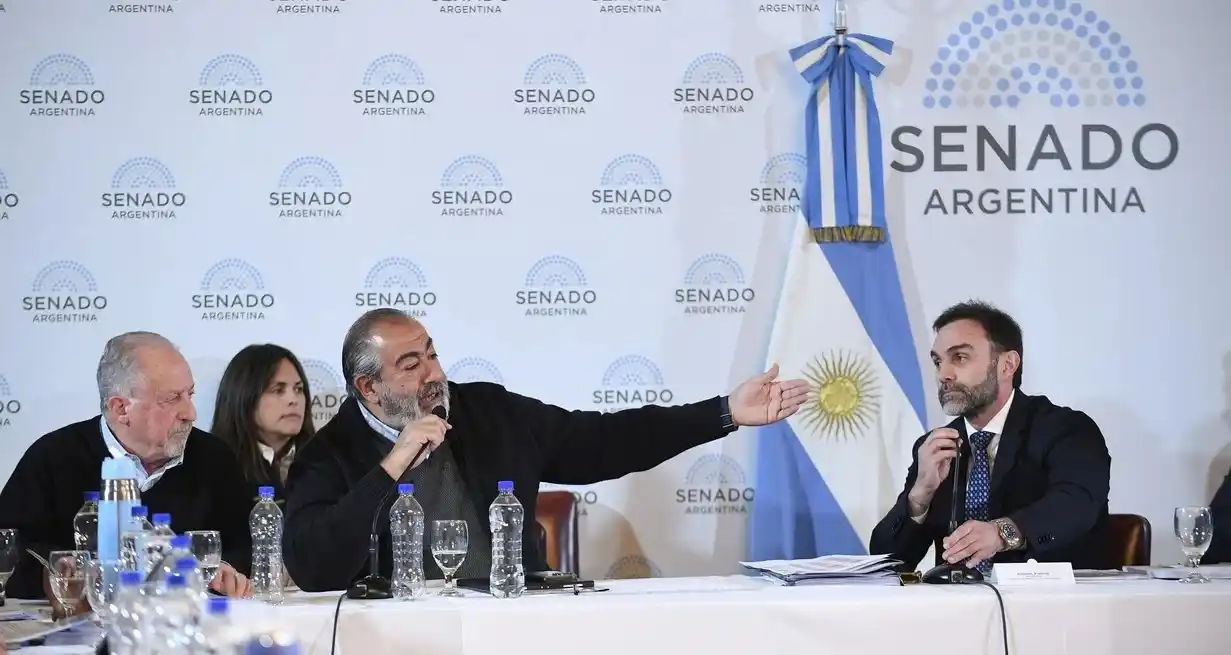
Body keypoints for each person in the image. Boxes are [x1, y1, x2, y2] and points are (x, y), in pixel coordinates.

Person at [283, 308, 810, 591]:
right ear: (368, 388)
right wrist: (393, 464)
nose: (435, 374)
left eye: (433, 354)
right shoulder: (326, 455)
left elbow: (605, 441)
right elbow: (314, 567)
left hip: (511, 621)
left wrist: (722, 412)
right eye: (411, 365)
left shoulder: (487, 412)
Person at [0, 331, 254, 610]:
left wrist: (225, 569)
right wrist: (55, 572)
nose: (190, 412)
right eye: (172, 399)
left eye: (189, 395)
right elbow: (11, 549)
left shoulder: (213, 456)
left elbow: (245, 543)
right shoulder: (53, 457)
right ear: (120, 408)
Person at [869, 301, 1112, 573]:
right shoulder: (936, 447)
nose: (943, 374)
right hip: (960, 608)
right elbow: (886, 564)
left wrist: (1001, 533)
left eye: (959, 357)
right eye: (938, 361)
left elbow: (1076, 505)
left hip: (1052, 605)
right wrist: (920, 495)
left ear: (1007, 365)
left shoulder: (1066, 429)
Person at [211, 344, 316, 505]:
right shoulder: (215, 467)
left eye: (298, 389)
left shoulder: (324, 461)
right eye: (278, 390)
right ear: (244, 397)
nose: (293, 400)